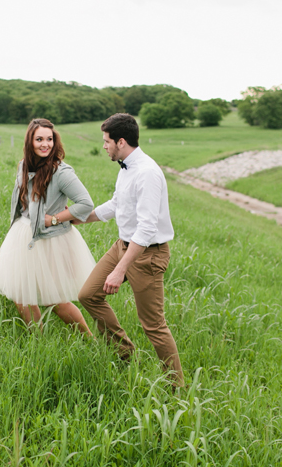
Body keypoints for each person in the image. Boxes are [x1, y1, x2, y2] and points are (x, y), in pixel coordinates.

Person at [75, 113, 184, 387]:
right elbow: (115, 205)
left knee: (153, 325)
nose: (104, 147)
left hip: (147, 254)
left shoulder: (147, 173)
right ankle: (124, 352)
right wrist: (76, 218)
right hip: (122, 245)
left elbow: (147, 229)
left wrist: (120, 270)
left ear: (121, 142)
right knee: (88, 295)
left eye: (106, 141)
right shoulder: (126, 167)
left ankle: (177, 388)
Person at [0, 118, 95, 334]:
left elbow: (86, 203)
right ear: (30, 141)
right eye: (39, 139)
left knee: (54, 299)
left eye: (49, 139)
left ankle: (90, 341)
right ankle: (37, 342)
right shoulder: (23, 165)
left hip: (51, 239)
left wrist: (56, 218)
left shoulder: (61, 172)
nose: (45, 144)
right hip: (23, 234)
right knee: (21, 294)